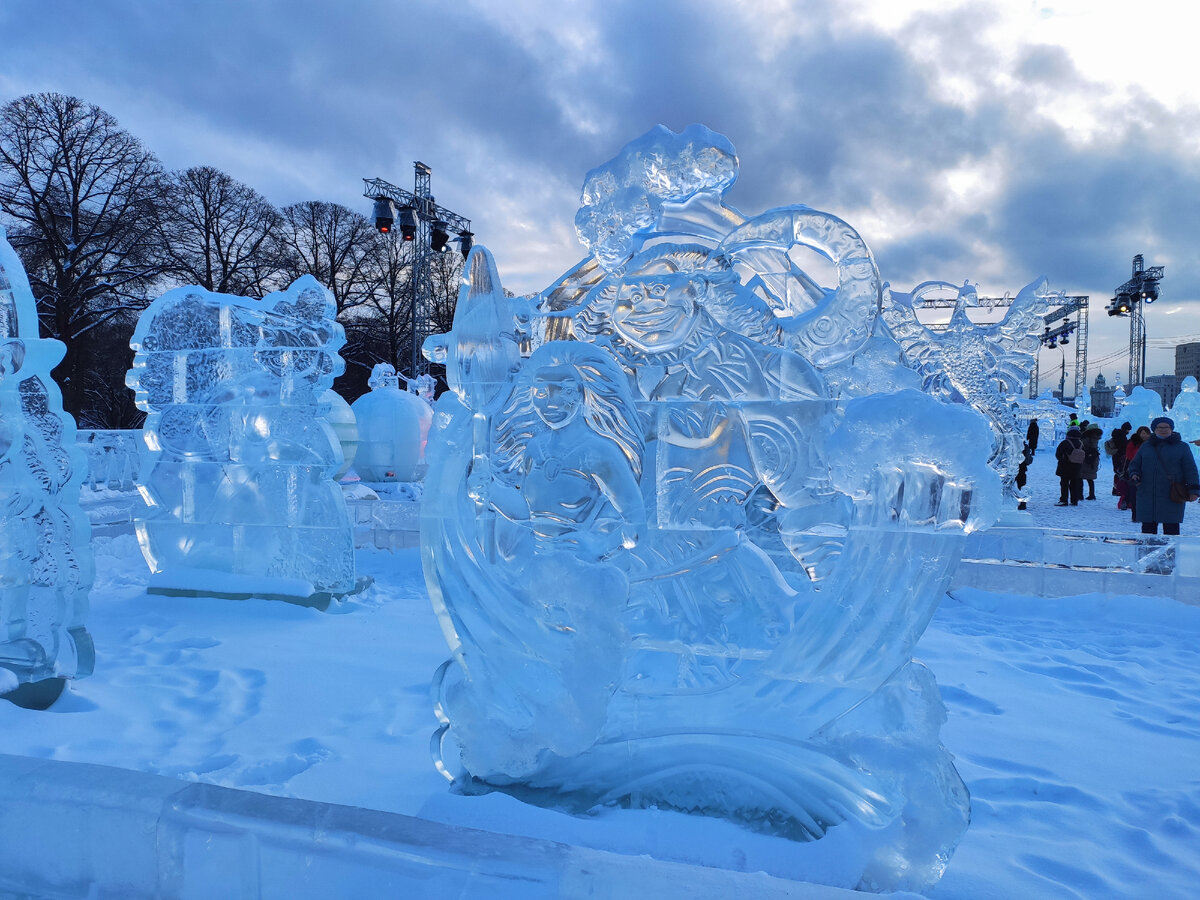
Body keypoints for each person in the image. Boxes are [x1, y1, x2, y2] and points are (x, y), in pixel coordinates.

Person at [1127, 416, 1200, 535]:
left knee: (1171, 530)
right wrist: (1135, 474)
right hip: (1147, 492)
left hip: (1172, 492)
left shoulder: (1182, 447)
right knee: (1148, 531)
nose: (1163, 430)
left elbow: (1190, 469)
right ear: (1154, 429)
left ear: (1172, 429)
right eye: (1159, 427)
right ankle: (1147, 553)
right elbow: (1134, 464)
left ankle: (1170, 554)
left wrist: (1194, 490)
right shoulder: (1146, 446)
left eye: (1167, 427)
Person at [1122, 426, 1151, 517]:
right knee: (1133, 490)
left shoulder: (1152, 443)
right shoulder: (1133, 442)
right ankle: (1134, 512)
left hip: (1148, 470)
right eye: (1142, 433)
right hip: (1135, 469)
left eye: (1146, 433)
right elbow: (1130, 456)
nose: (1144, 435)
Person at [1054, 425, 1085, 506]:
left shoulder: (1065, 442)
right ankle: (1074, 500)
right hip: (1077, 467)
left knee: (1064, 484)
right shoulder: (1081, 443)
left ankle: (1064, 500)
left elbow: (1058, 454)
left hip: (1065, 466)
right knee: (1074, 484)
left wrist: (1063, 459)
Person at [1080, 423, 1103, 500]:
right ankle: (1092, 494)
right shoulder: (1096, 437)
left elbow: (1081, 444)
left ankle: (1080, 494)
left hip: (1086, 459)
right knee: (1090, 478)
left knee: (1081, 477)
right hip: (1093, 459)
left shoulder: (1087, 438)